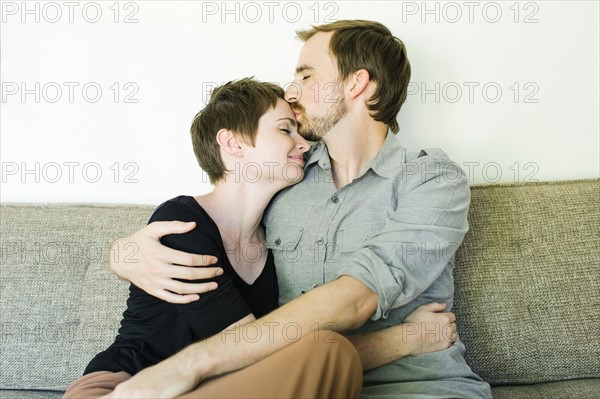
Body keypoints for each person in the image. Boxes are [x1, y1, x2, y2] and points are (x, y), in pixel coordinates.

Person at [108, 20, 493, 398]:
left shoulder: (431, 179)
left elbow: (356, 297)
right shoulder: (286, 175)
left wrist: (189, 364)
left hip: (417, 387)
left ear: (356, 83)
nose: (292, 92)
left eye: (306, 77)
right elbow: (215, 220)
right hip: (292, 384)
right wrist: (124, 253)